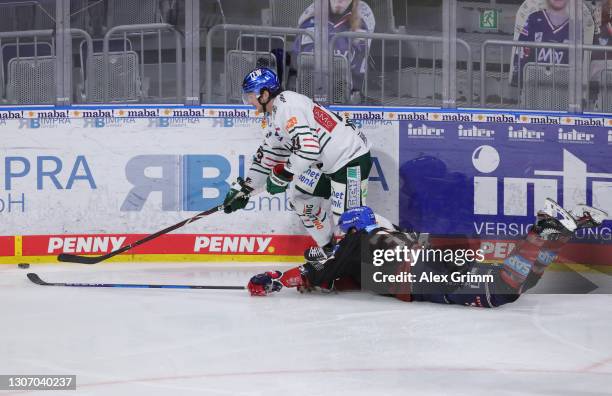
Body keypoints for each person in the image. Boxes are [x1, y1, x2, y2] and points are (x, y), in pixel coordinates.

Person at [246, 200, 607, 308]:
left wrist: (281, 278)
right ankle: (557, 235)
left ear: (353, 228)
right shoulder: (385, 234)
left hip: (421, 274)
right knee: (516, 281)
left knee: (503, 290)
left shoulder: (357, 241)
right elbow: (339, 274)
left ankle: (540, 232)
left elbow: (322, 269)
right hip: (431, 258)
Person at [223, 67, 372, 262]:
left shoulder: (288, 106)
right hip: (325, 164)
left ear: (265, 94)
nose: (249, 100)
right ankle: (329, 250)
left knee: (348, 220)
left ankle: (359, 262)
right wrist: (246, 187)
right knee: (301, 198)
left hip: (350, 159)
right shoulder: (273, 116)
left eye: (250, 95)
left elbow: (309, 149)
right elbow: (269, 154)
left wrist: (284, 175)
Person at [293, 0, 375, 102]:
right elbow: (296, 61)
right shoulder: (308, 21)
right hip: (308, 96)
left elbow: (358, 71)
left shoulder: (362, 25)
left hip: (344, 99)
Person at [511, 0, 570, 86]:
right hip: (533, 84)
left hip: (562, 88)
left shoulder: (575, 27)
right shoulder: (533, 19)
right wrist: (519, 76)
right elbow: (522, 52)